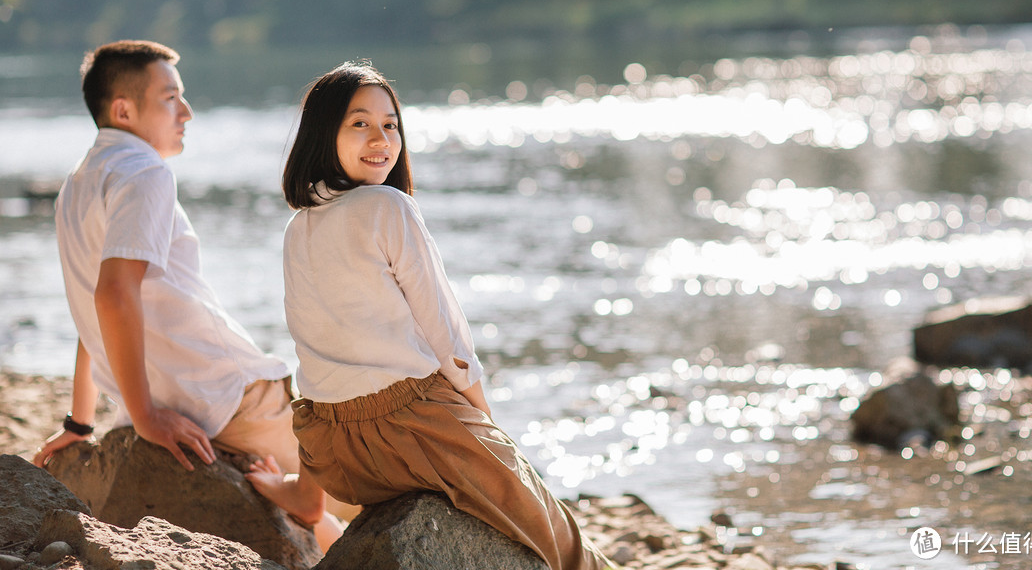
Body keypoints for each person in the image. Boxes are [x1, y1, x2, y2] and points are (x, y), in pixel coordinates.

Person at [279, 61, 613, 570]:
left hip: (338, 454)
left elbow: (309, 342)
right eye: (360, 123)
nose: (381, 138)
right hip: (411, 427)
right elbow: (449, 339)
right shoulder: (387, 206)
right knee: (556, 533)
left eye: (390, 124)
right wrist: (487, 427)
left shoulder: (297, 228)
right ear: (324, 133)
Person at [33, 40, 342, 550]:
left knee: (296, 511)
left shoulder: (76, 185)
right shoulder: (145, 172)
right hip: (227, 396)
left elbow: (97, 307)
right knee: (363, 482)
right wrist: (149, 418)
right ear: (124, 109)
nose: (187, 112)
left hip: (182, 401)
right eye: (171, 98)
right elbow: (112, 296)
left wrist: (81, 420)